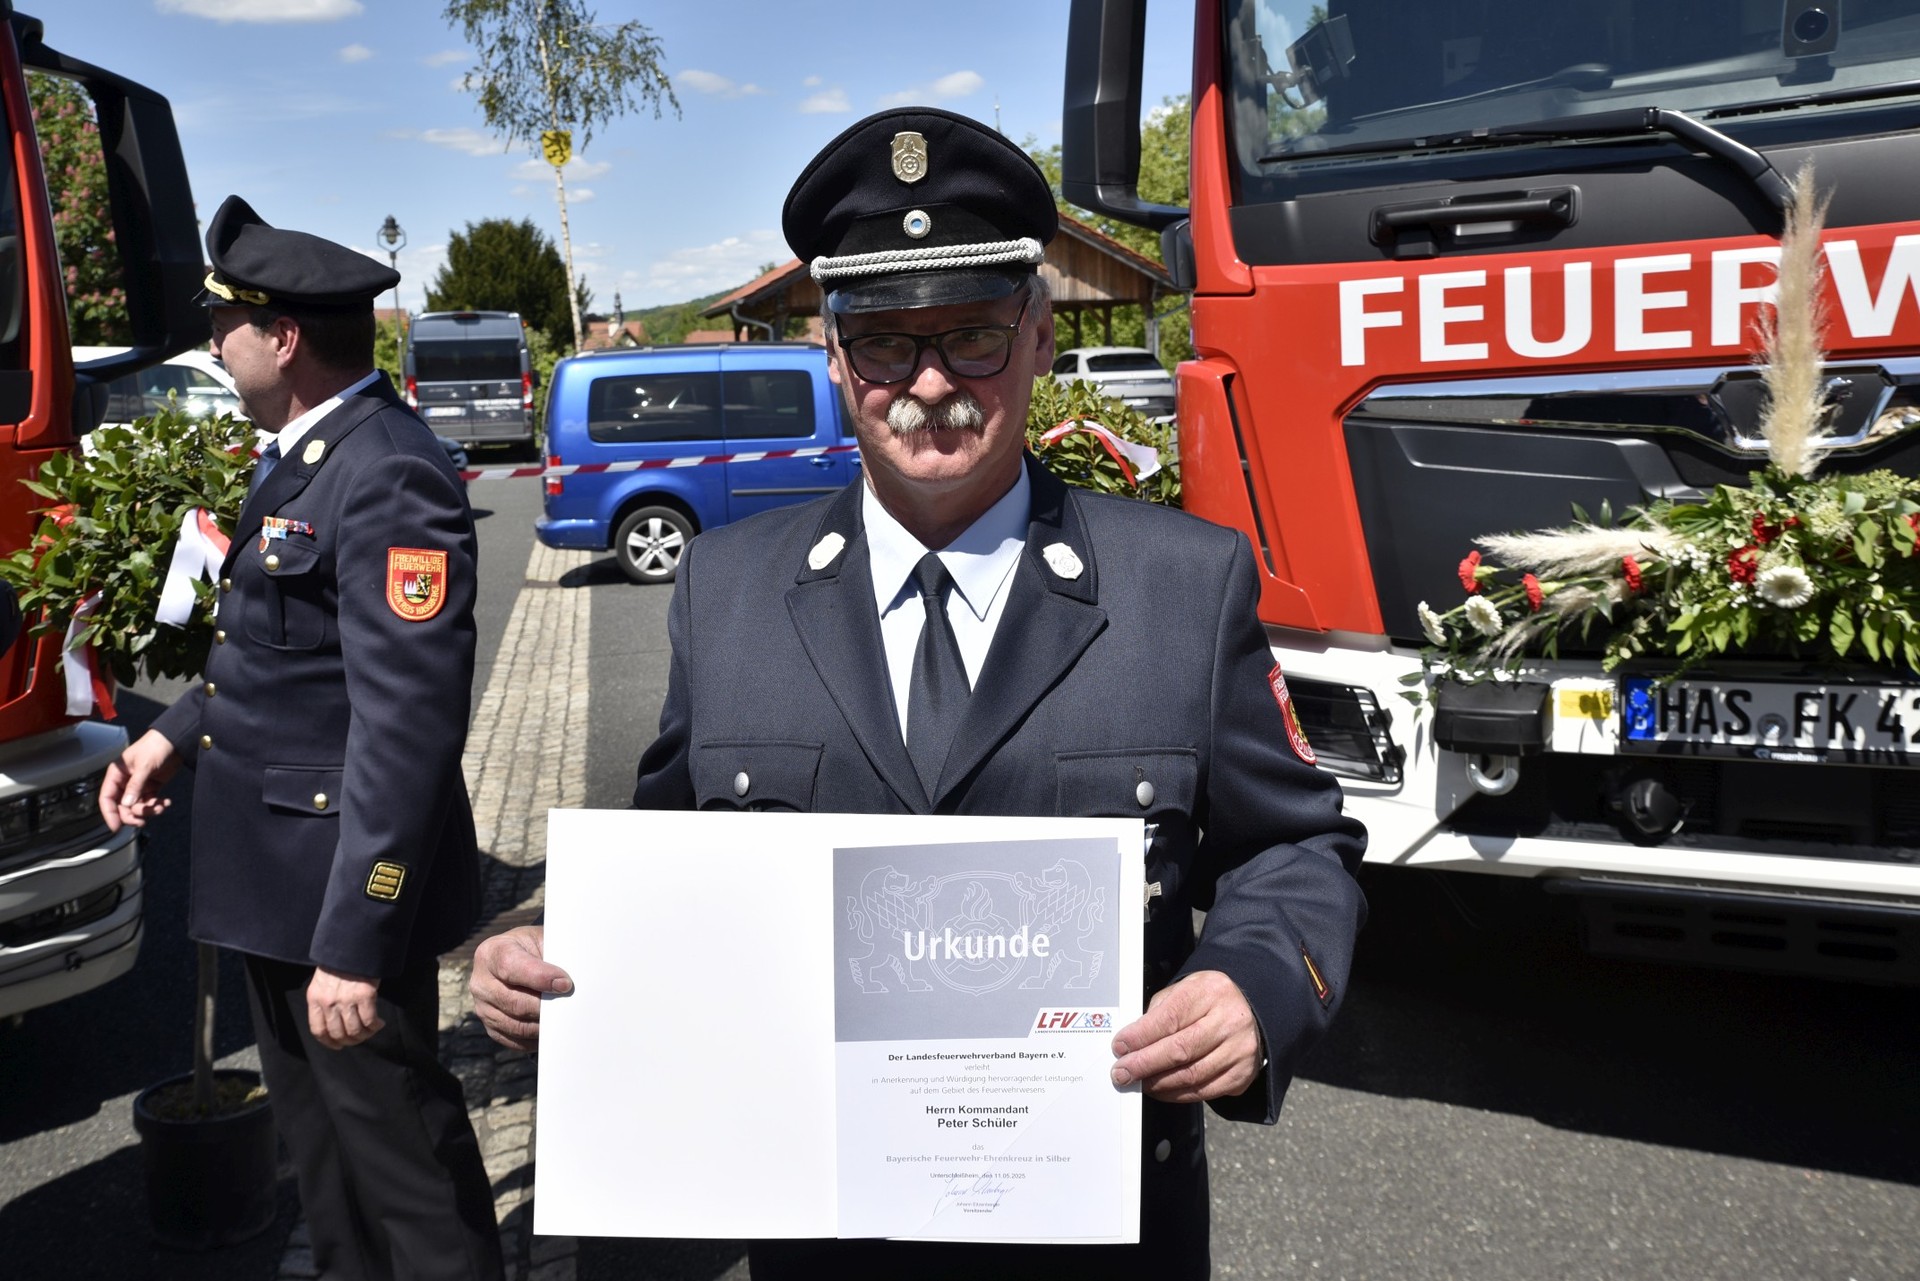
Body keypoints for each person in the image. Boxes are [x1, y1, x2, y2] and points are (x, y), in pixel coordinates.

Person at [470, 107, 1367, 1279]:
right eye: (885, 343)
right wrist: (556, 960)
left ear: (1039, 337)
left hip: (1095, 1242)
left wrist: (1255, 982)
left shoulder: (1181, 588)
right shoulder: (726, 591)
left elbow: (1295, 848)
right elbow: (673, 871)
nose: (929, 382)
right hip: (819, 1243)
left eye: (973, 336)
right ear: (834, 357)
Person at [100, 196, 504, 1281]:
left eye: (224, 323)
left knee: (407, 1173)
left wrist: (357, 940)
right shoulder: (305, 454)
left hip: (335, 896)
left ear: (282, 338)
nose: (213, 342)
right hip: (278, 885)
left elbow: (408, 730)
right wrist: (172, 733)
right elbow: (275, 654)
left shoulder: (388, 469)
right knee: (328, 1175)